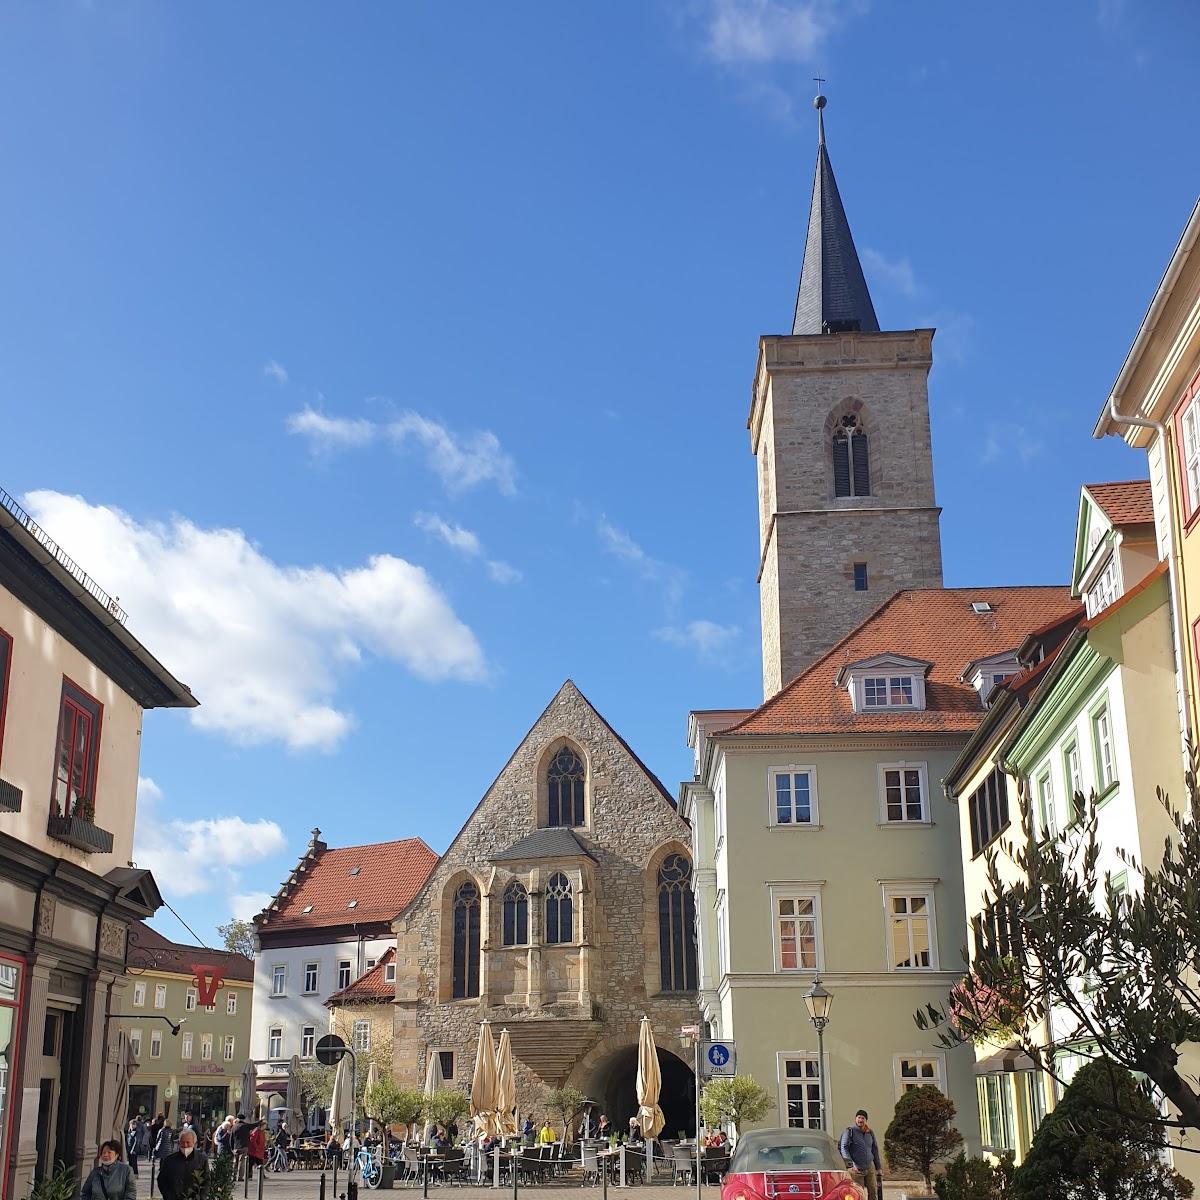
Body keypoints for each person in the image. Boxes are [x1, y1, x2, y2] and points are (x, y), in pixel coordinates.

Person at [838, 1109, 882, 1200]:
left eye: (863, 1118)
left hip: (869, 1166)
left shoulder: (870, 1132)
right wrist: (850, 1164)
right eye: (859, 1118)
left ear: (866, 1120)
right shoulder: (849, 1131)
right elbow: (844, 1147)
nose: (860, 1120)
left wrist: (878, 1167)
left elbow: (875, 1149)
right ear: (855, 1119)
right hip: (856, 1168)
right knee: (858, 1193)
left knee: (873, 1191)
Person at [157, 1129, 208, 1200]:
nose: (185, 1145)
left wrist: (201, 1197)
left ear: (194, 1143)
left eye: (188, 1142)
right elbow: (161, 1180)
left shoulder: (202, 1160)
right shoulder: (169, 1160)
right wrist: (168, 1196)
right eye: (182, 1142)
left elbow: (206, 1180)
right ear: (179, 1143)